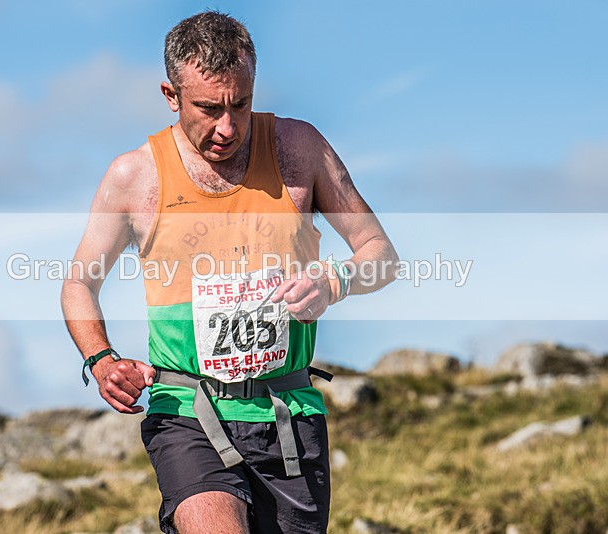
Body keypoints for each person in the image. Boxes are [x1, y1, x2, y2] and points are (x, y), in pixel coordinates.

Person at [61, 11, 398, 534]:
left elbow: (380, 253)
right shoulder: (135, 176)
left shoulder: (299, 149)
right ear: (171, 96)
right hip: (186, 410)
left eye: (241, 104)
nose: (228, 126)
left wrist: (333, 283)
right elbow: (80, 284)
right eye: (209, 108)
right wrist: (102, 360)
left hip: (288, 414)